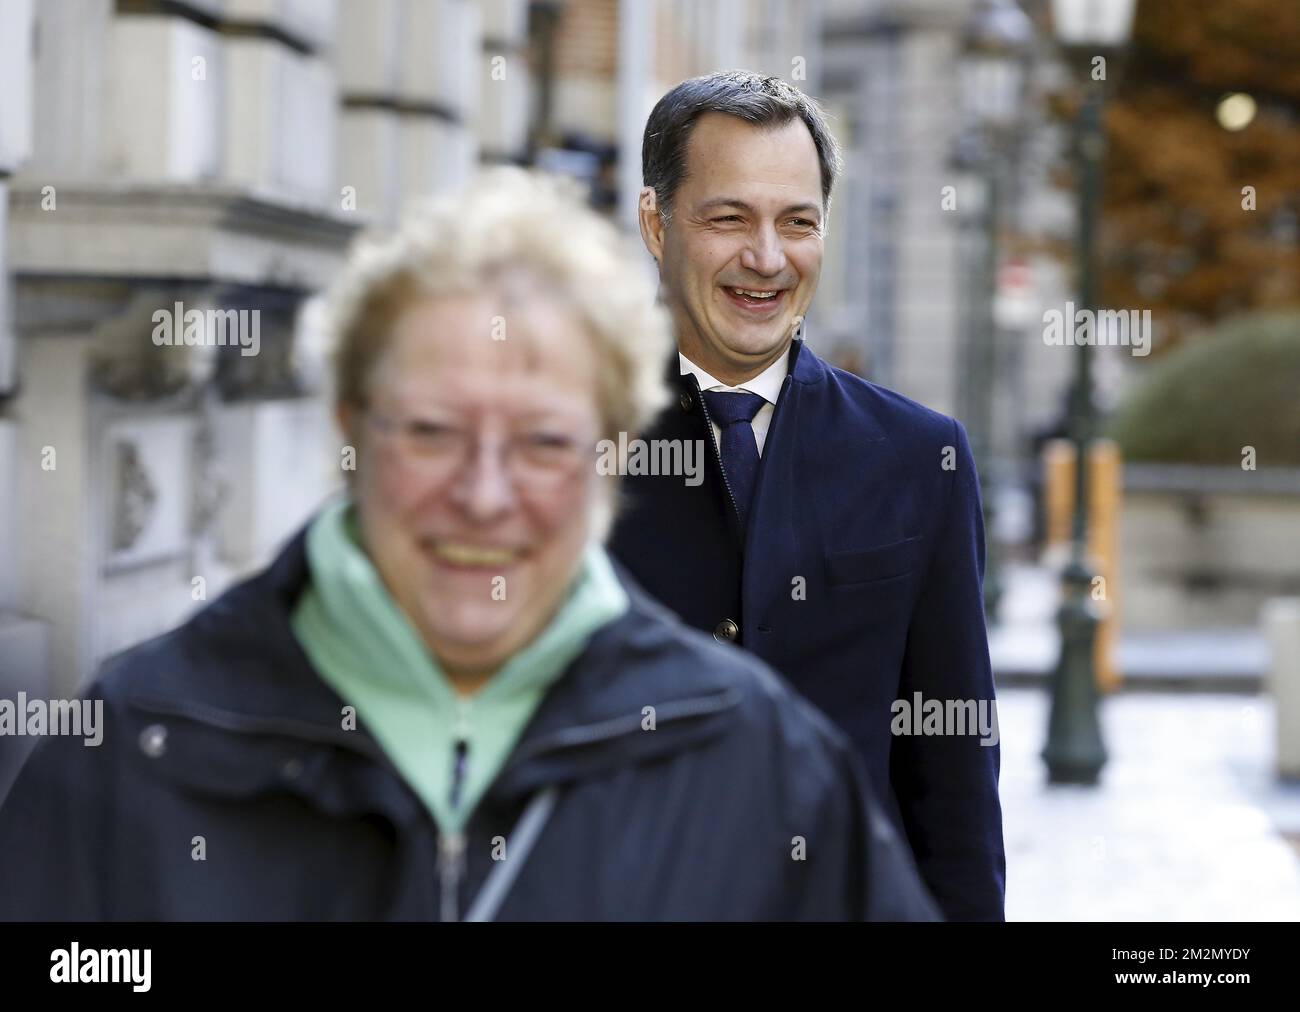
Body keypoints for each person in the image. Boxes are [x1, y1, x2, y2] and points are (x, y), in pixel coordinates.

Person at [0, 168, 937, 922]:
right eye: (434, 432)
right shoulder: (134, 753)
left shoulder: (762, 769)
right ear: (351, 429)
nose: (484, 497)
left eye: (541, 443)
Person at [608, 71, 1006, 921]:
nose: (767, 258)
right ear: (655, 223)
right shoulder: (561, 450)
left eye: (798, 223)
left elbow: (954, 777)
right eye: (728, 218)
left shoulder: (921, 458)